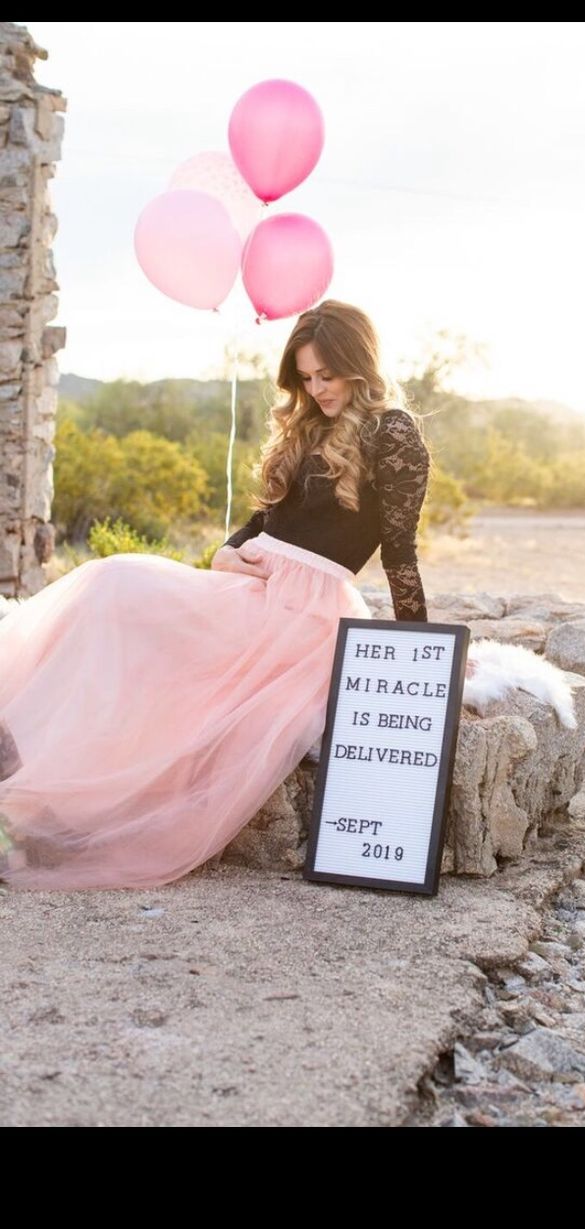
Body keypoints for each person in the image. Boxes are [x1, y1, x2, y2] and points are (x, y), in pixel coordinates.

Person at [0, 300, 432, 891]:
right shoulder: (309, 426)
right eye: (306, 378)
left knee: (118, 589)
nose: (316, 388)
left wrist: (422, 651)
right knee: (112, 587)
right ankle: (26, 766)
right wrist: (229, 555)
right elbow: (263, 522)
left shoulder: (394, 431)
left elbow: (400, 552)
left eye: (326, 376)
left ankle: (46, 793)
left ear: (358, 364)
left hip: (302, 612)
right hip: (247, 586)